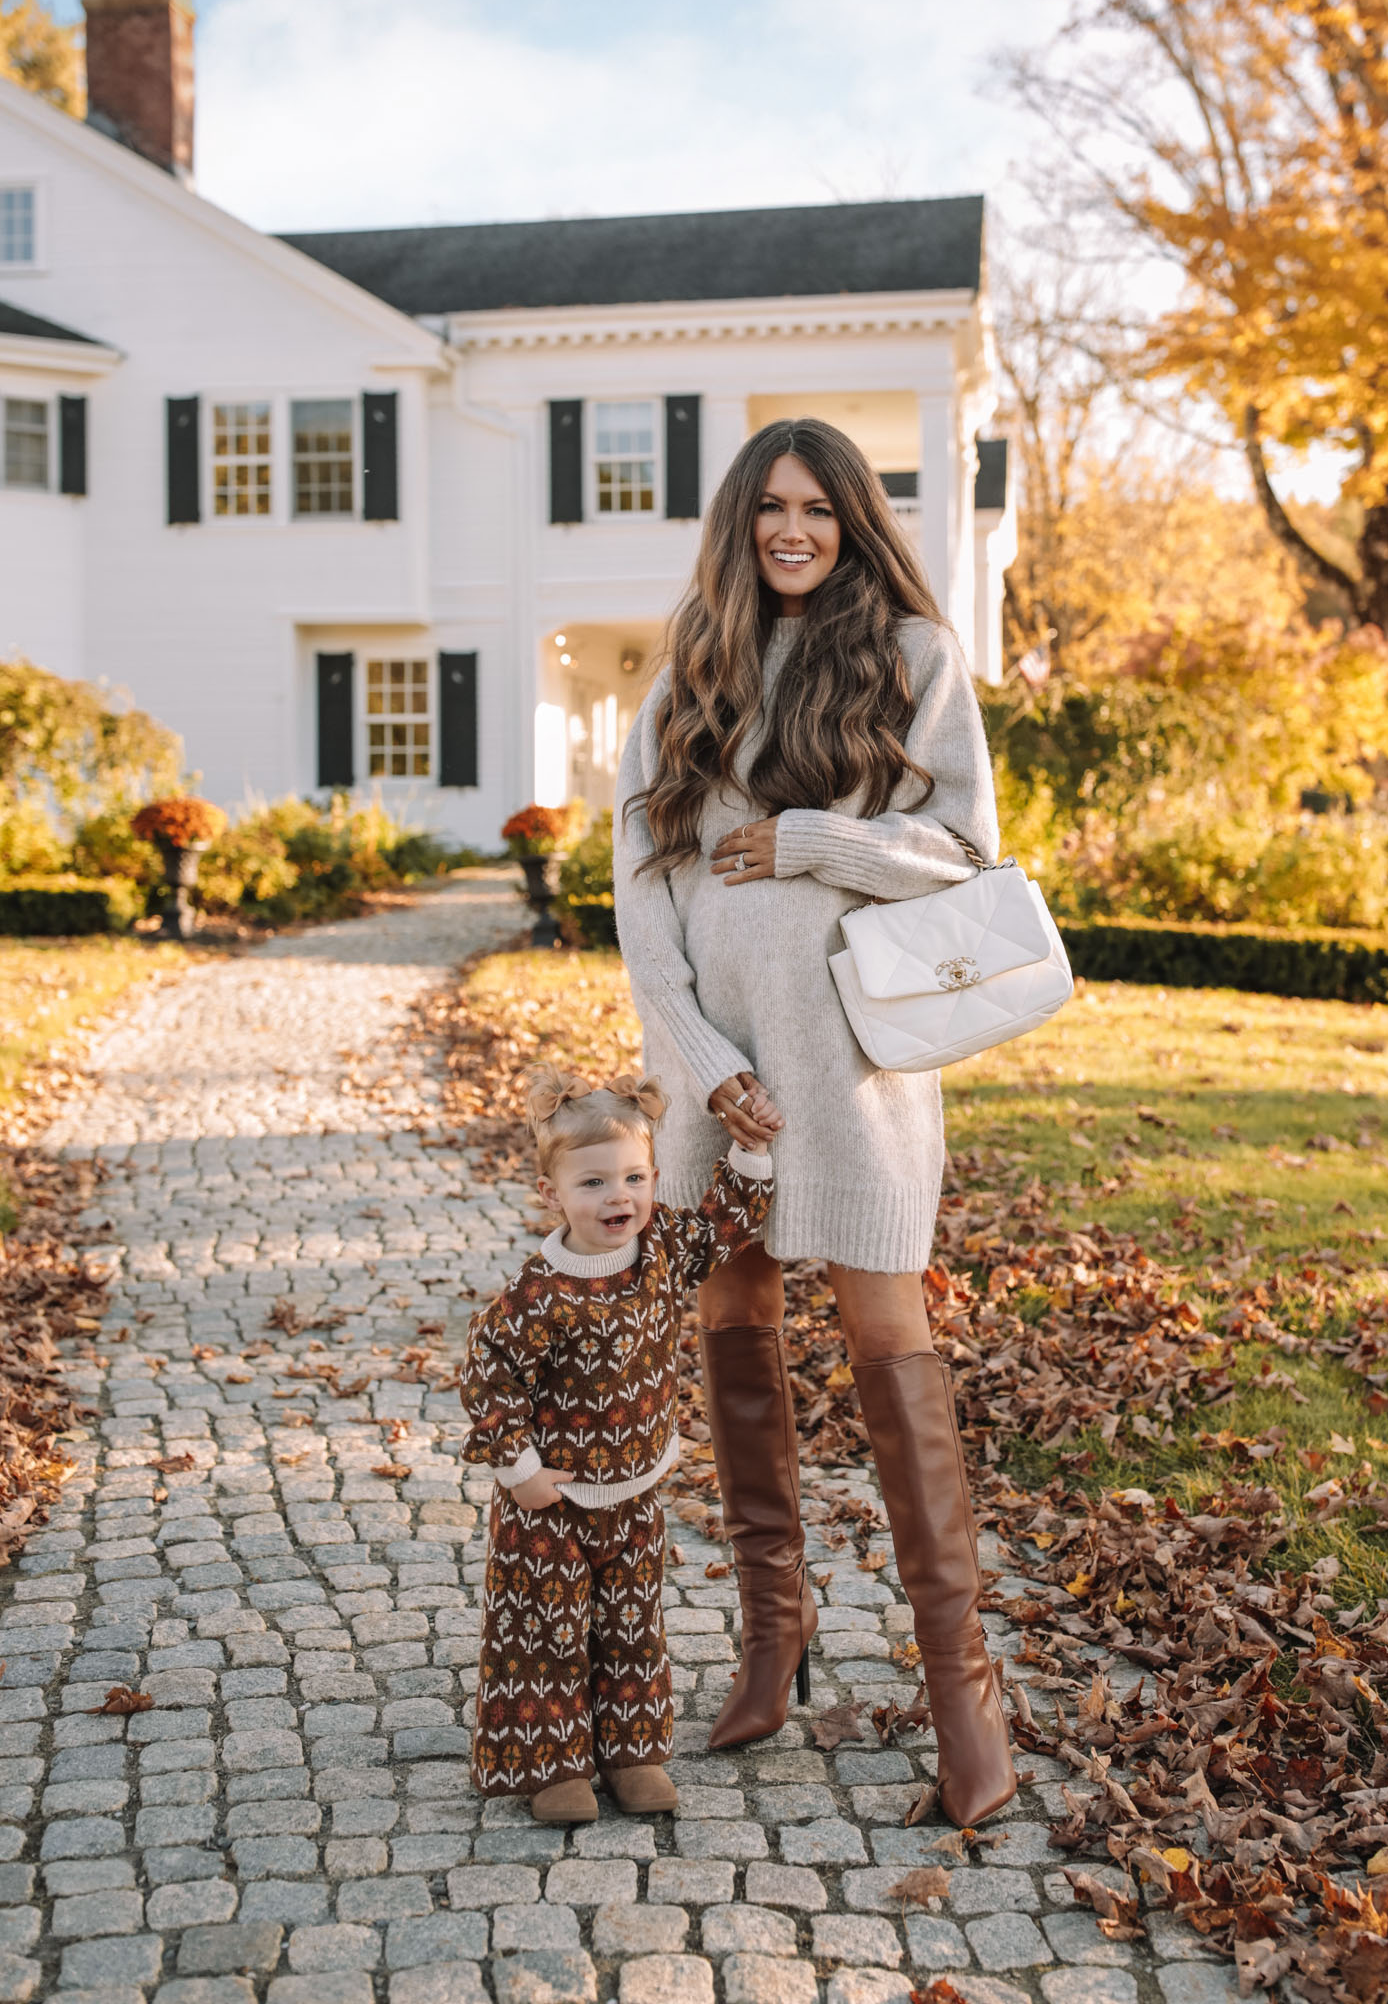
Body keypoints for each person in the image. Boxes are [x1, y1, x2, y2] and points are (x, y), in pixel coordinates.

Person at [613, 417, 1016, 1829]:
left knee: (888, 1338)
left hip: (853, 1075)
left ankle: (963, 1695)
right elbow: (644, 899)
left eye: (818, 510)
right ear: (741, 519)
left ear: (853, 520)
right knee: (734, 1328)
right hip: (723, 1082)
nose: (793, 531)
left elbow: (970, 854)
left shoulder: (911, 656)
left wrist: (810, 841)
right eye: (770, 508)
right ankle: (770, 1638)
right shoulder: (687, 673)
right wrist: (700, 1063)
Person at [458, 1067, 775, 1823]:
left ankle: (633, 1753)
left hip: (634, 1489)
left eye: (634, 1178)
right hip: (551, 1499)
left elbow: (725, 1226)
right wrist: (520, 1469)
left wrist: (750, 1153)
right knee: (550, 1628)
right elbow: (488, 1379)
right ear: (552, 1195)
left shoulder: (663, 1246)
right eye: (594, 1183)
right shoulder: (537, 1296)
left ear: (654, 1179)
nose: (618, 1198)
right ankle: (555, 1765)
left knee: (632, 1623)